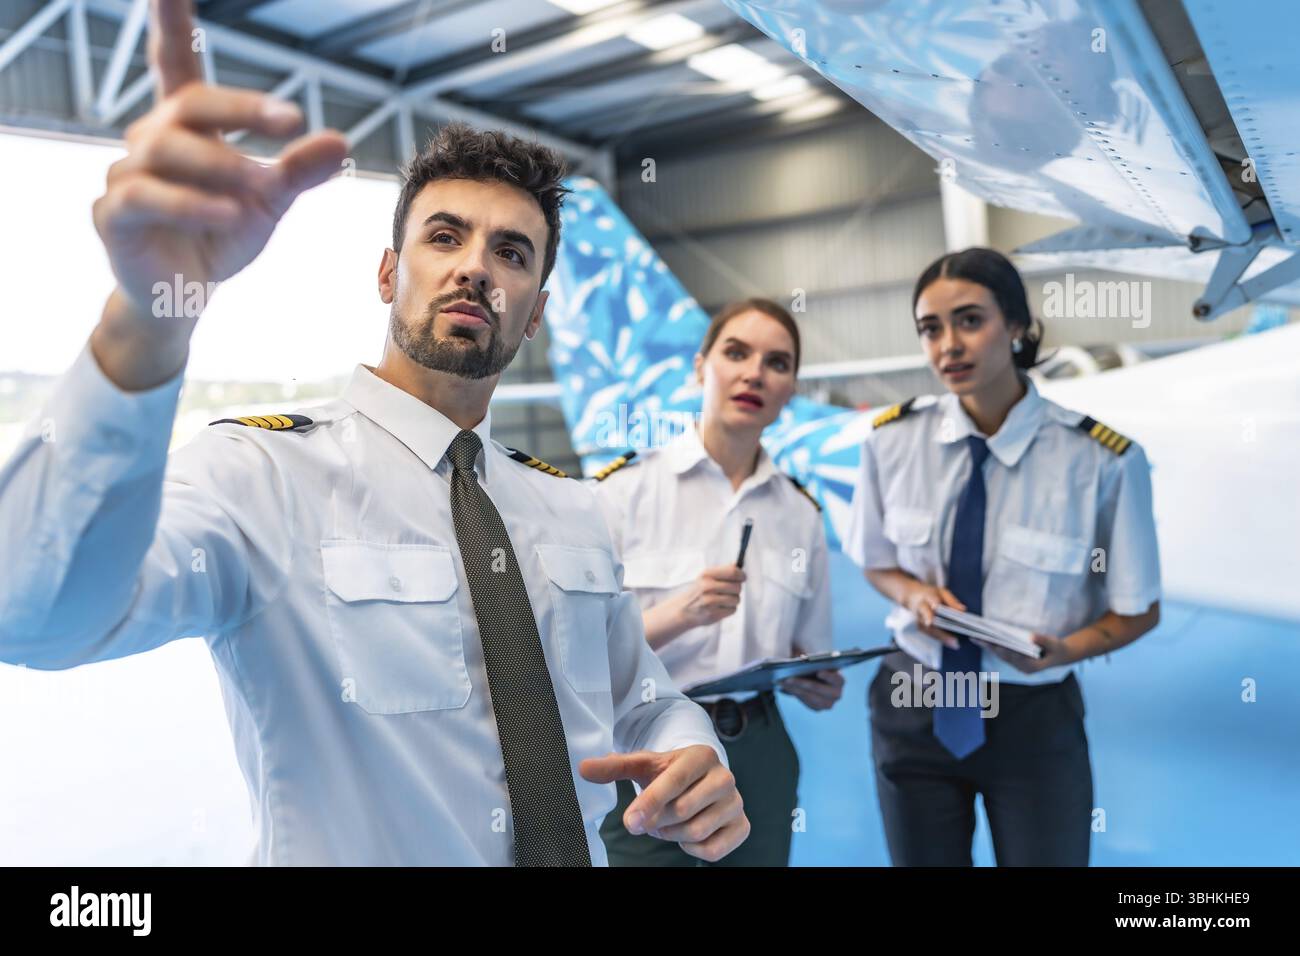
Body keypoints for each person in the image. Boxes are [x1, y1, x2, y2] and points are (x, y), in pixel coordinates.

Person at [0, 0, 747, 867]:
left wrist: (696, 745)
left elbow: (641, 696)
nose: (475, 264)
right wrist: (146, 321)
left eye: (512, 252)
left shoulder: (569, 507)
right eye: (444, 236)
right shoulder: (264, 475)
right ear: (390, 274)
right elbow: (35, 616)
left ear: (535, 310)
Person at [845, 247, 1161, 866]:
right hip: (915, 699)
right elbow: (877, 560)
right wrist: (914, 595)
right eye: (930, 329)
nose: (947, 346)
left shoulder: (1102, 461)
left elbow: (1138, 610)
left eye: (969, 320)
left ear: (1016, 326)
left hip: (1030, 711)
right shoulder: (890, 443)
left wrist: (1065, 651)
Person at [591, 298, 842, 866]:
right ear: (701, 367)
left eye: (777, 363)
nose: (756, 372)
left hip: (761, 748)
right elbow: (581, 656)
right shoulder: (621, 493)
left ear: (790, 389)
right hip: (648, 746)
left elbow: (808, 647)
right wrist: (683, 612)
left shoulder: (801, 513)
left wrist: (816, 679)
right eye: (737, 353)